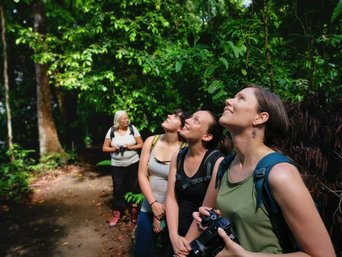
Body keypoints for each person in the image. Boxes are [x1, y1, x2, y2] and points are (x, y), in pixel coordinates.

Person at [193, 85, 336, 257]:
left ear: (260, 117)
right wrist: (210, 224)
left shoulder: (280, 173)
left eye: (241, 98)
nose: (228, 101)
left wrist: (246, 256)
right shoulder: (226, 166)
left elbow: (324, 254)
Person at [165, 110, 232, 257]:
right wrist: (173, 236)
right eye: (190, 117)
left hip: (200, 240)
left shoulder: (217, 163)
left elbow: (206, 211)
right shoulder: (178, 156)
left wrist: (185, 246)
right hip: (176, 233)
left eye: (196, 120)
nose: (187, 120)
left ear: (207, 136)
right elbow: (171, 197)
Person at [134, 109, 189, 257]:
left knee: (170, 252)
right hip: (148, 207)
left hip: (172, 213)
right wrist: (153, 205)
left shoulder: (185, 149)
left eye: (176, 116)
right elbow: (142, 174)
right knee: (141, 252)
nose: (169, 115)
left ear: (181, 127)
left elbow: (179, 186)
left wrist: (160, 214)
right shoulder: (151, 141)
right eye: (171, 113)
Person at [102, 110, 144, 227]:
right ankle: (117, 213)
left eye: (127, 118)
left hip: (133, 163)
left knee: (135, 187)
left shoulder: (132, 129)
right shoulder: (111, 131)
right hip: (117, 165)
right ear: (118, 120)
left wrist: (131, 147)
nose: (127, 120)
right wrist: (113, 149)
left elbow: (142, 144)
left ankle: (134, 212)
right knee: (118, 188)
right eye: (124, 118)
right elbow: (104, 148)